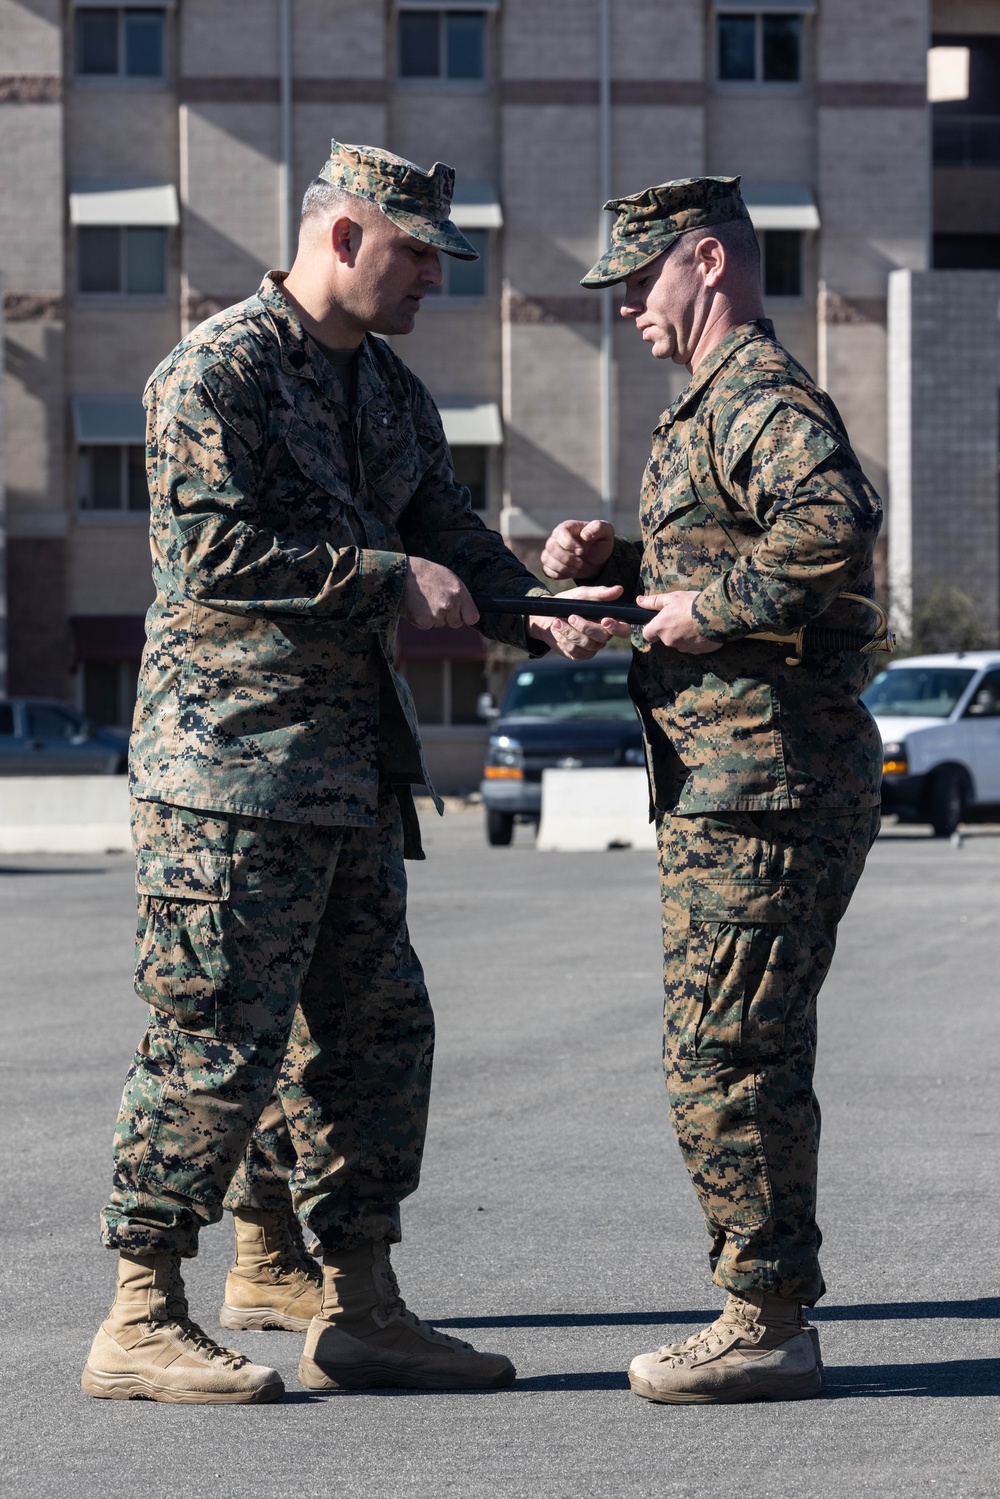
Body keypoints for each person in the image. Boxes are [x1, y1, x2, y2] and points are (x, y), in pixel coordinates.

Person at [81, 139, 625, 1405]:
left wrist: (541, 608)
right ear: (340, 238)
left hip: (346, 773)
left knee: (371, 1035)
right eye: (417, 251)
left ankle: (359, 1301)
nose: (436, 275)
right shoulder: (213, 372)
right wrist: (390, 579)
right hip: (228, 770)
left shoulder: (387, 388)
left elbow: (443, 529)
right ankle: (138, 1309)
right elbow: (209, 556)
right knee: (212, 1036)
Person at [540, 176, 884, 1404]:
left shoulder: (758, 395)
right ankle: (763, 1303)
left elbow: (835, 521)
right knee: (724, 1049)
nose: (626, 305)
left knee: (730, 1055)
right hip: (730, 781)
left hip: (768, 783)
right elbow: (725, 564)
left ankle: (767, 1318)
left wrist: (705, 608)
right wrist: (621, 578)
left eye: (639, 279)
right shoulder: (702, 407)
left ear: (706, 261)